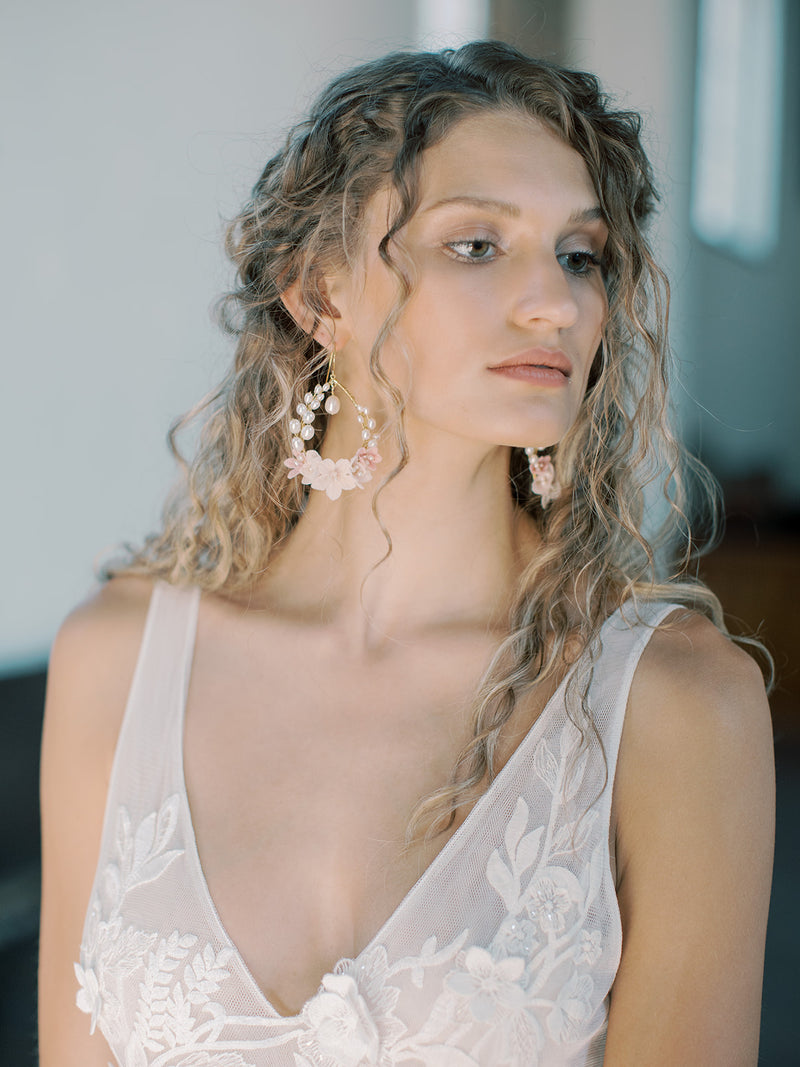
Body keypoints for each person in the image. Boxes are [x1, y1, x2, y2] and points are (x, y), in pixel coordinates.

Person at [38, 41, 775, 1066]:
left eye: (579, 254)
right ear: (320, 295)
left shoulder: (677, 702)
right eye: (475, 245)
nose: (555, 304)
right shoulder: (114, 661)